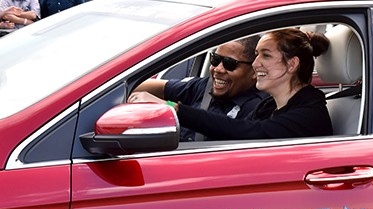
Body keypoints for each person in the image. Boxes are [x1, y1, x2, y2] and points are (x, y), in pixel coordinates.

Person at [129, 28, 333, 140]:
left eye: (266, 56)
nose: (255, 64)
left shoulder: (309, 114)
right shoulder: (270, 106)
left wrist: (171, 108)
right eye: (256, 55)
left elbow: (246, 132)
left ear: (292, 64)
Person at [130, 36, 267, 141]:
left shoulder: (259, 109)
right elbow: (144, 86)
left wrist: (168, 107)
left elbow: (222, 128)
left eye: (229, 64)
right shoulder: (204, 86)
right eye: (215, 59)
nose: (218, 69)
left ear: (254, 71)